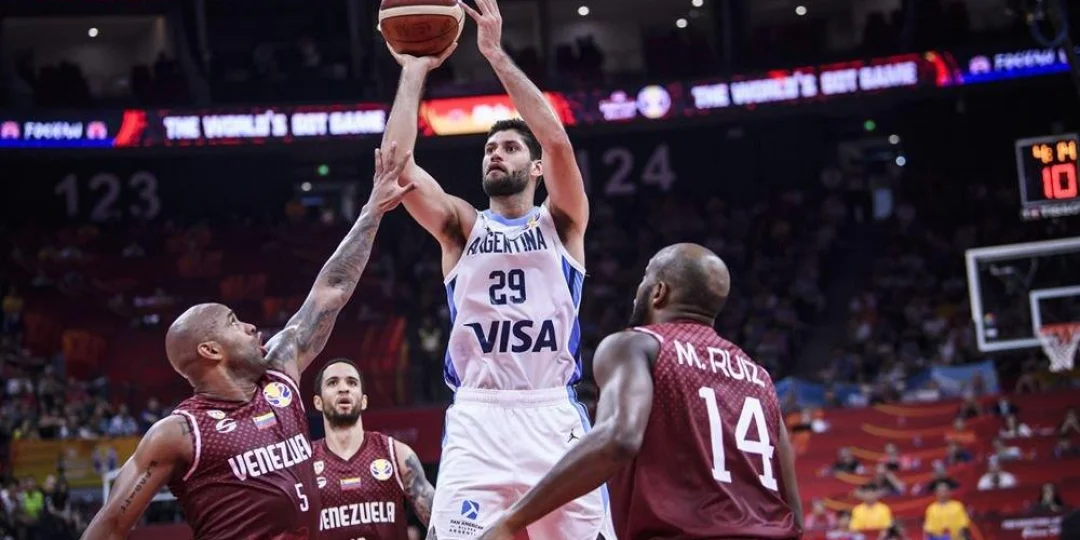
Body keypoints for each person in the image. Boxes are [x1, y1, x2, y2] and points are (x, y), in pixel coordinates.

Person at [82, 143, 417, 539]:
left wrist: (372, 211)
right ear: (210, 350)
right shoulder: (181, 433)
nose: (251, 327)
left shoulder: (280, 374)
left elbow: (332, 290)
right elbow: (109, 526)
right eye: (233, 322)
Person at [380, 0, 607, 537]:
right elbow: (397, 167)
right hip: (478, 417)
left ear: (535, 168)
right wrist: (414, 71)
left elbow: (557, 140)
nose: (495, 155)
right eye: (488, 149)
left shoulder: (562, 223)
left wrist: (495, 55)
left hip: (551, 414)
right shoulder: (461, 226)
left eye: (508, 147)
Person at [476, 244, 803, 539]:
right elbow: (794, 513)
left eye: (645, 278)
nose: (638, 291)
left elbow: (618, 439)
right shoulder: (760, 378)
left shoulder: (639, 345)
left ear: (658, 291)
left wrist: (512, 520)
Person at [310, 358, 435, 539]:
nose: (343, 388)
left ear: (364, 401)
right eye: (333, 383)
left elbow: (440, 523)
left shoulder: (396, 454)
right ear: (318, 402)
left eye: (352, 382)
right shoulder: (305, 463)